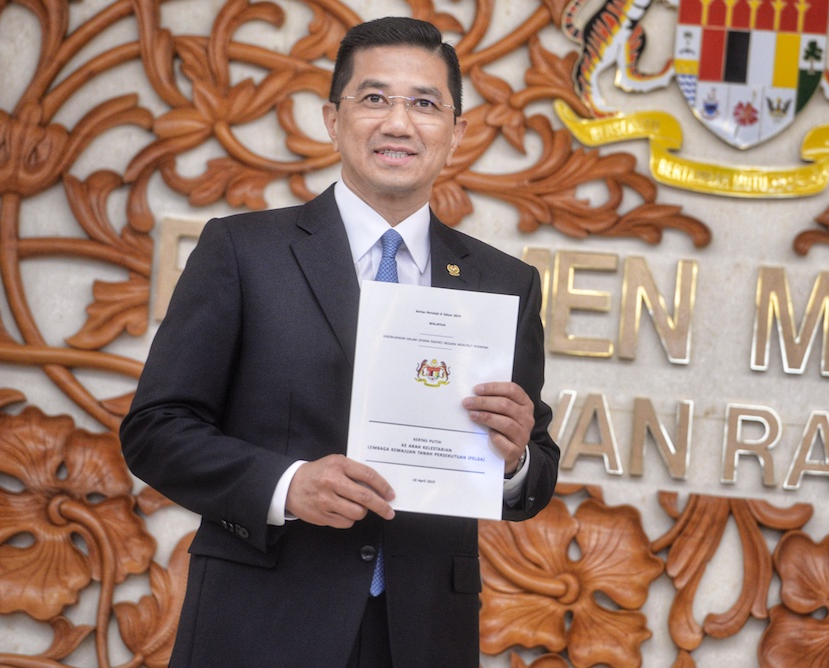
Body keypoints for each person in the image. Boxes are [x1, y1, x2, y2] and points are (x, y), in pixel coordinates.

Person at [119, 15, 559, 668]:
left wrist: (517, 456)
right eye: (375, 98)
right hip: (260, 622)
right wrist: (286, 486)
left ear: (457, 132)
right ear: (333, 118)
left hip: (422, 633)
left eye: (424, 103)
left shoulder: (504, 283)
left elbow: (533, 473)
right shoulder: (243, 252)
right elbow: (155, 429)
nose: (398, 123)